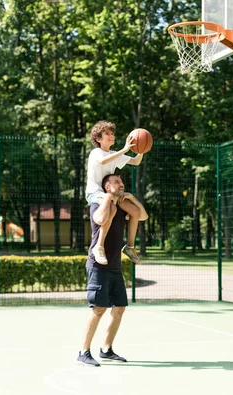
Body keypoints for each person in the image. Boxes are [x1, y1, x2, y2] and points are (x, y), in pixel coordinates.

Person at [78, 173, 148, 366]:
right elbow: (100, 219)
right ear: (107, 187)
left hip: (115, 265)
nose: (121, 183)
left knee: (119, 308)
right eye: (116, 181)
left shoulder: (122, 204)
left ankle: (106, 350)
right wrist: (108, 199)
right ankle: (83, 351)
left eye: (121, 181)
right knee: (98, 309)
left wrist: (132, 198)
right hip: (98, 264)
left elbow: (141, 215)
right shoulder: (99, 204)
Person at [86, 120, 147, 265]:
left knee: (134, 211)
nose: (111, 135)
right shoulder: (96, 153)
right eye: (106, 133)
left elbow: (135, 161)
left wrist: (142, 149)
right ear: (98, 139)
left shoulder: (115, 154)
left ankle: (130, 247)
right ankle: (99, 246)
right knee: (112, 207)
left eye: (112, 133)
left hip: (111, 194)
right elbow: (102, 161)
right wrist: (124, 149)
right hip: (96, 194)